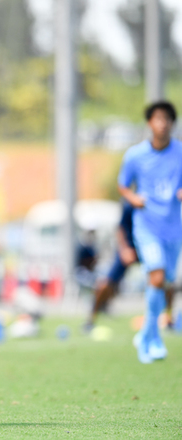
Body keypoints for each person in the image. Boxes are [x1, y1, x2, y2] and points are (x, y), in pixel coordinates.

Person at [118, 100, 182, 364]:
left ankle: (147, 335)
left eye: (167, 119)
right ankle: (151, 337)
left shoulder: (180, 152)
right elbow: (123, 185)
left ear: (172, 123)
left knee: (162, 282)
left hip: (173, 228)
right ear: (149, 123)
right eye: (157, 119)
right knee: (155, 277)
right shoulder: (135, 155)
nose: (162, 123)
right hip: (146, 226)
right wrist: (133, 199)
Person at [84, 203, 138, 331]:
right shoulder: (130, 205)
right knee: (104, 284)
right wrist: (125, 249)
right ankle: (90, 320)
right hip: (128, 249)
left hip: (149, 248)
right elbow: (120, 228)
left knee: (164, 281)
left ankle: (169, 319)